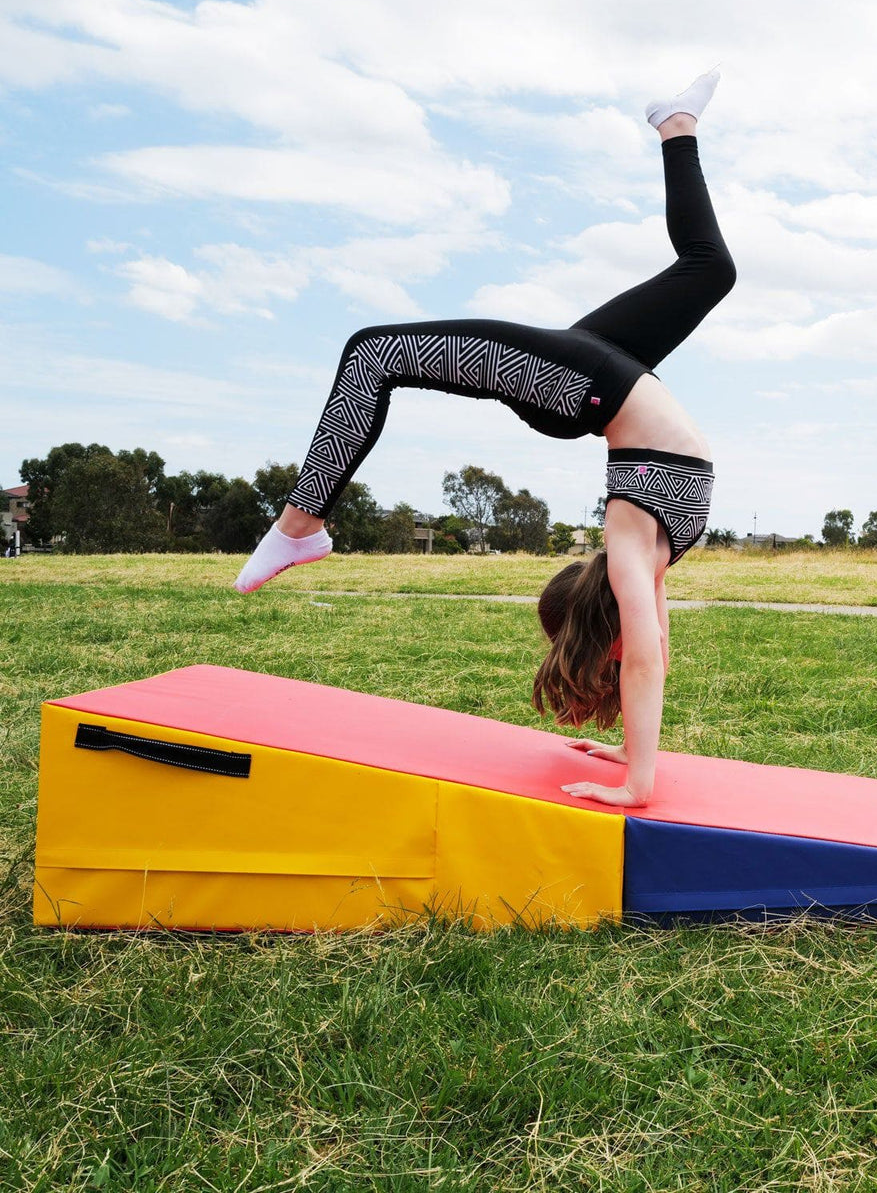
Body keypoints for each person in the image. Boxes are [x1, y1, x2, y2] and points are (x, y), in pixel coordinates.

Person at [234, 69, 735, 807]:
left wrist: (639, 771)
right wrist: (636, 765)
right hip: (595, 382)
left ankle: (301, 524)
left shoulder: (643, 544)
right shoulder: (641, 554)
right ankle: (675, 125)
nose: (637, 640)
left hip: (587, 386)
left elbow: (648, 654)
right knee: (710, 270)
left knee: (374, 354)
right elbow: (649, 655)